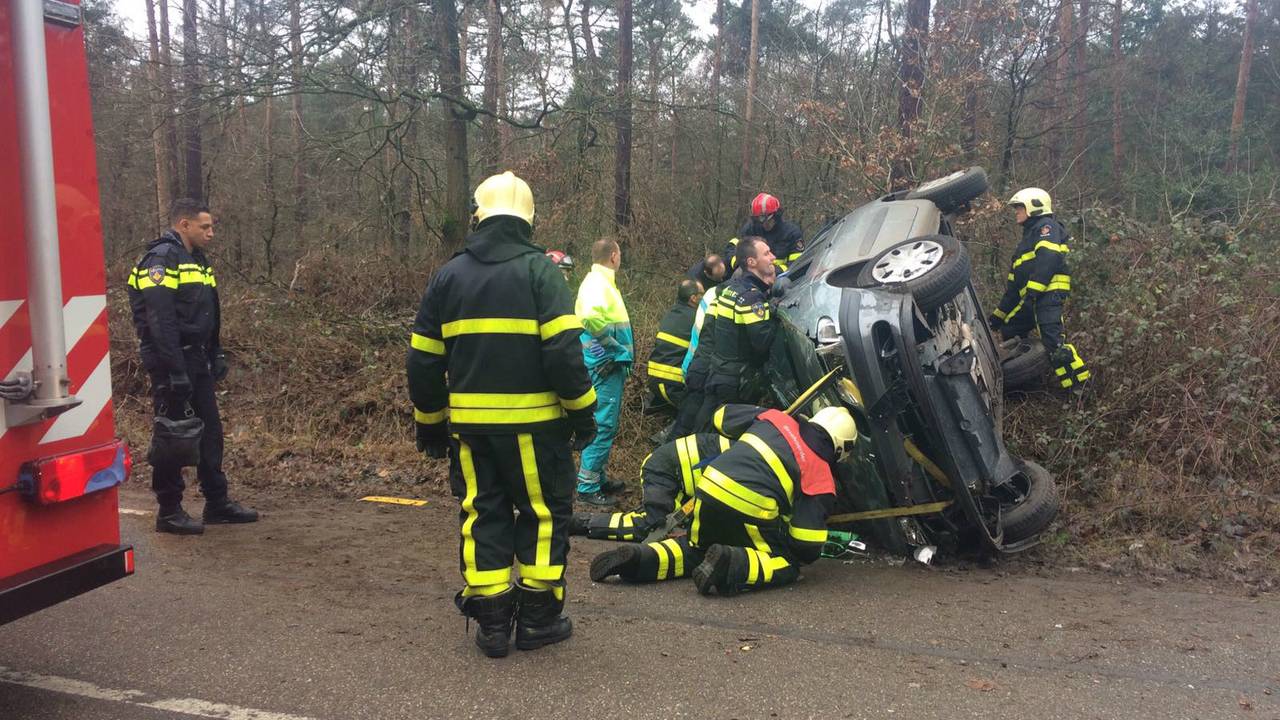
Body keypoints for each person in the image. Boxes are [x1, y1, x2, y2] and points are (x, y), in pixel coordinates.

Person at [407, 171, 597, 658]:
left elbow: (424, 360)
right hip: (535, 430)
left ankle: (492, 626)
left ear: (479, 215)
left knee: (482, 514)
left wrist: (429, 424)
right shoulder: (541, 273)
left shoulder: (448, 276)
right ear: (528, 221)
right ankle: (536, 622)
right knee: (543, 516)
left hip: (470, 433)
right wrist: (583, 416)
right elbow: (564, 355)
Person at [590, 404, 857, 596]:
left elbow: (721, 416)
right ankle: (731, 565)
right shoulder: (821, 476)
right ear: (841, 449)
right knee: (787, 564)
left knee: (695, 549)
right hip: (750, 514)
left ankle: (638, 559)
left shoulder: (775, 418)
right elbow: (805, 545)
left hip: (707, 491)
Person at [126, 199, 258, 535]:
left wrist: (216, 352)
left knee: (210, 432)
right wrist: (175, 369)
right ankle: (169, 511)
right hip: (171, 360)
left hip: (197, 358)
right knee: (172, 436)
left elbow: (209, 309)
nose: (211, 233)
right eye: (205, 227)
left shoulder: (197, 259)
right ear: (184, 224)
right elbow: (160, 320)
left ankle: (217, 502)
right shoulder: (160, 259)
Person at [989, 188, 1090, 389]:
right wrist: (996, 318)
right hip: (1033, 298)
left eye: (1019, 207)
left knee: (1054, 342)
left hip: (1048, 295)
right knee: (1011, 328)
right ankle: (1025, 381)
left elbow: (1049, 259)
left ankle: (1080, 389)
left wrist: (1034, 292)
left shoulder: (1046, 227)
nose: (1016, 212)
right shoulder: (1023, 244)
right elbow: (1013, 289)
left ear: (1034, 206)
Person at [570, 432, 731, 542]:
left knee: (673, 521)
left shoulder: (749, 446)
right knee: (653, 526)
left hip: (681, 480)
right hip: (664, 470)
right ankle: (583, 522)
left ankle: (644, 511)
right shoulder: (750, 461)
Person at [691, 237, 779, 432]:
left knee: (703, 428)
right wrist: (773, 314)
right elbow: (762, 342)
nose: (773, 257)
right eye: (766, 253)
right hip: (735, 382)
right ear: (751, 262)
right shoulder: (751, 297)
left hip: (717, 373)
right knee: (720, 436)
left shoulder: (730, 289)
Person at [574, 237, 634, 505]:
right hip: (607, 365)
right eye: (619, 254)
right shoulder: (598, 284)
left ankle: (596, 477)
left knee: (605, 422)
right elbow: (589, 317)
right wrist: (614, 347)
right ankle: (587, 487)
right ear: (613, 256)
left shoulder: (600, 282)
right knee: (604, 423)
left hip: (608, 363)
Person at [646, 279, 702, 412]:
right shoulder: (697, 319)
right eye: (702, 294)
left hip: (656, 379)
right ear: (693, 298)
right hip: (672, 381)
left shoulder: (672, 313)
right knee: (695, 417)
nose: (705, 297)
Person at [731, 193, 804, 271]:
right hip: (753, 276)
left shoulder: (792, 233)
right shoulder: (750, 229)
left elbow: (797, 264)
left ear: (776, 215)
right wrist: (740, 265)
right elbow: (735, 249)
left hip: (781, 278)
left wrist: (772, 271)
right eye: (757, 220)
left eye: (765, 219)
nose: (763, 224)